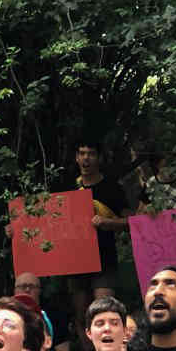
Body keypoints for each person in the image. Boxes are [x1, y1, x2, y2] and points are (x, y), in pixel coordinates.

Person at [69, 137, 131, 335]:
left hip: (104, 258)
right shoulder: (69, 187)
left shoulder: (112, 188)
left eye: (91, 154)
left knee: (104, 311)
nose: (86, 158)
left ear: (99, 158)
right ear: (76, 158)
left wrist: (108, 223)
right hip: (75, 260)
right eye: (82, 153)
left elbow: (132, 222)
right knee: (81, 315)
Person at [14, 273, 74, 351]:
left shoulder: (54, 316)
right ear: (15, 290)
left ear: (40, 291)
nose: (27, 290)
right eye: (22, 286)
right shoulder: (6, 314)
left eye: (32, 286)